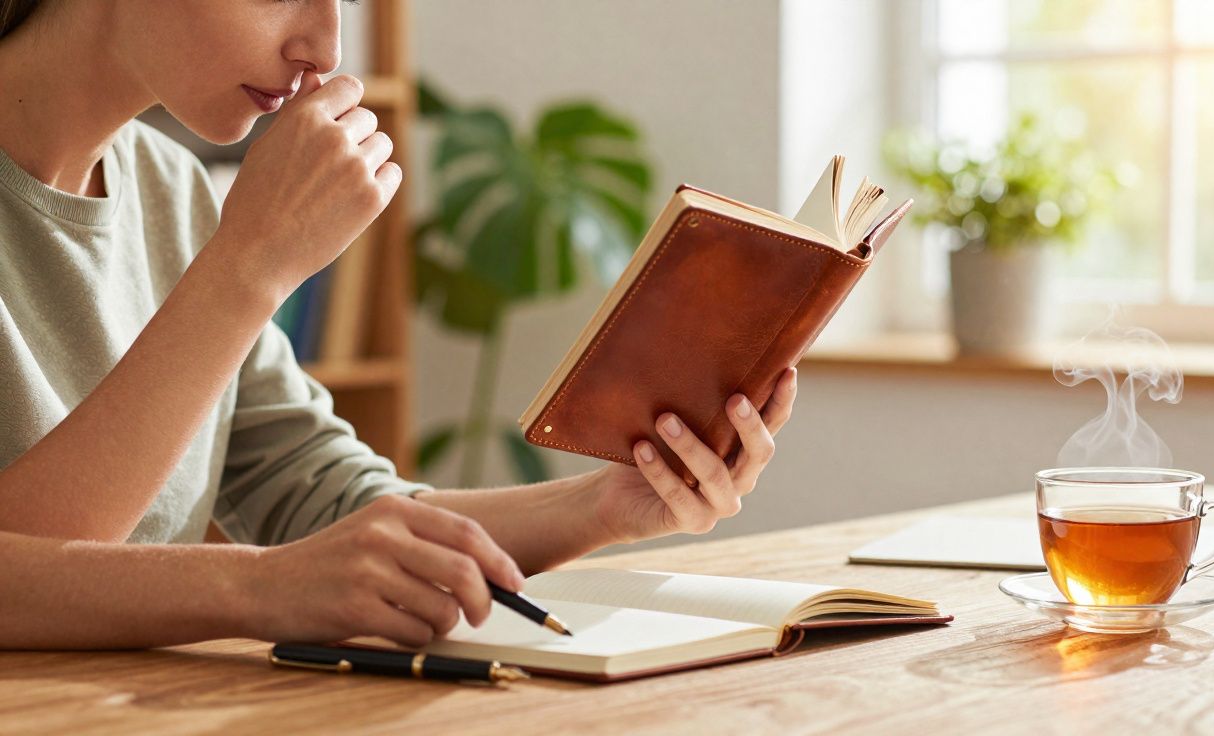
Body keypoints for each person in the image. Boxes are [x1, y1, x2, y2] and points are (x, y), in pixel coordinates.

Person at [0, 0, 797, 650]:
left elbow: (330, 502)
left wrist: (604, 506)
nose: (324, 46)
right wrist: (250, 269)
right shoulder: (229, 239)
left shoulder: (175, 194)